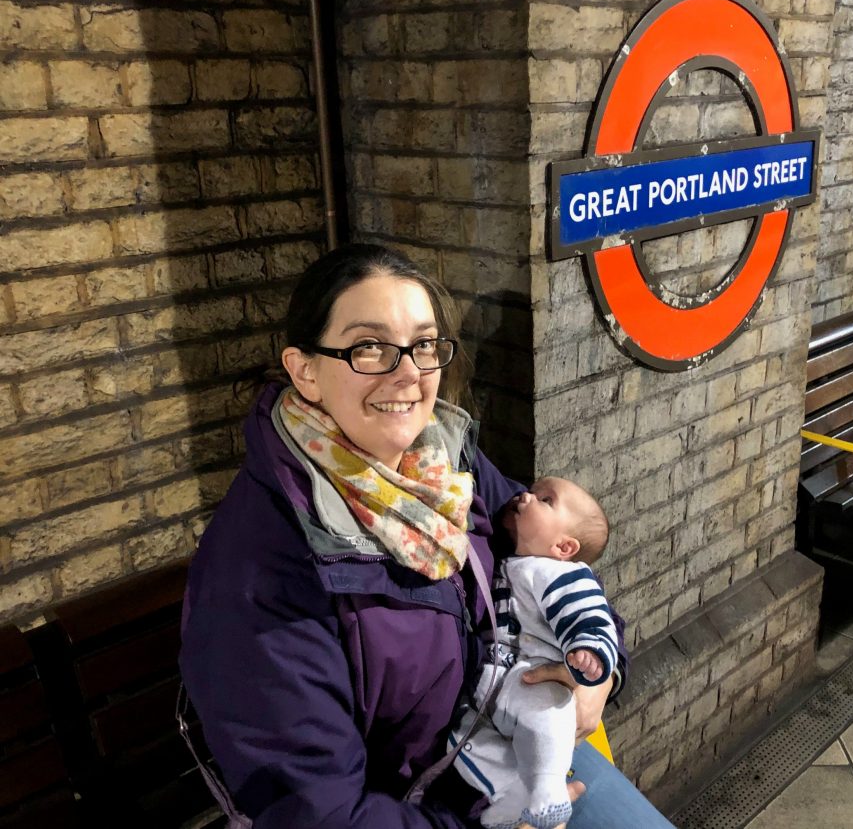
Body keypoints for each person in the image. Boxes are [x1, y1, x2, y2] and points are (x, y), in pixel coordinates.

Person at [179, 245, 676, 828]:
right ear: (305, 370)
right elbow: (319, 812)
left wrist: (600, 671)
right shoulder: (264, 571)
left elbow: (559, 560)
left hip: (505, 752)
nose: (410, 374)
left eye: (423, 344)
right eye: (369, 347)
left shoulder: (441, 459)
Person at [452, 477, 617, 829]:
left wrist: (591, 653)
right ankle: (514, 801)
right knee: (468, 742)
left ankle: (549, 792)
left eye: (545, 499)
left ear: (564, 547)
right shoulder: (515, 563)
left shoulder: (561, 574)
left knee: (549, 712)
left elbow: (591, 613)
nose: (524, 495)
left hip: (536, 675)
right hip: (496, 684)